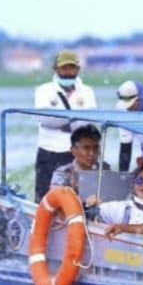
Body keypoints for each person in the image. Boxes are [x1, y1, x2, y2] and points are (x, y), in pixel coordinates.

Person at [33, 49, 97, 202]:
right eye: (64, 68)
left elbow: (89, 121)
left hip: (76, 152)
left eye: (71, 68)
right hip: (48, 151)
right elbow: (45, 119)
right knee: (43, 197)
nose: (68, 72)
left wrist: (61, 120)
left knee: (77, 196)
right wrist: (74, 118)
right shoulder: (43, 91)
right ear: (55, 69)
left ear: (78, 69)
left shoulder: (87, 92)